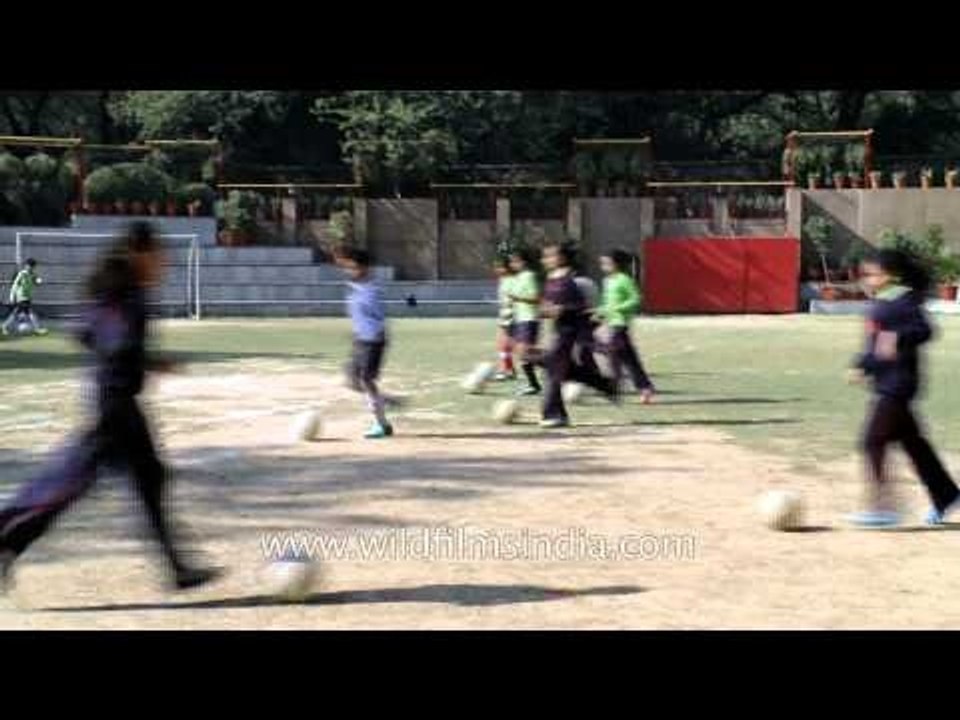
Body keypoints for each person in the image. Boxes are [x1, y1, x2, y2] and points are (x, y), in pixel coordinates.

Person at [0, 222, 220, 595]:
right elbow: (115, 342)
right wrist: (138, 359)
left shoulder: (114, 289)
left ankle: (178, 568)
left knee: (144, 477)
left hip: (116, 401)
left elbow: (84, 333)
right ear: (139, 252)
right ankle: (5, 540)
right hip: (115, 407)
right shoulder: (126, 293)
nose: (163, 263)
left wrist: (142, 360)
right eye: (159, 255)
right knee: (69, 482)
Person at [847, 248, 960, 528]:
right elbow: (874, 344)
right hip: (886, 383)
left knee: (872, 441)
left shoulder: (903, 300)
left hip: (898, 385)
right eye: (865, 274)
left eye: (871, 273)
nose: (866, 279)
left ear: (888, 275)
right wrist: (862, 364)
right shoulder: (879, 303)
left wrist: (896, 338)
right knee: (914, 445)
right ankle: (947, 495)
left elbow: (926, 330)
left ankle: (883, 508)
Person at [539, 241, 618, 428]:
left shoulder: (575, 281)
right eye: (545, 256)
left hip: (572, 333)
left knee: (553, 371)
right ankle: (604, 385)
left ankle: (553, 414)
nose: (545, 259)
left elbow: (582, 308)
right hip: (558, 331)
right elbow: (547, 306)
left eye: (550, 255)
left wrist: (563, 311)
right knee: (557, 368)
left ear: (563, 258)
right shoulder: (551, 278)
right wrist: (544, 310)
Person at [337, 246, 394, 439]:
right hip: (361, 339)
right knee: (351, 379)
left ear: (364, 268)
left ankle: (381, 424)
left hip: (373, 340)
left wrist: (376, 338)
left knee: (366, 380)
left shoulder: (371, 290)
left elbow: (378, 318)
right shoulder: (356, 287)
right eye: (347, 267)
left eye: (352, 267)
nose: (348, 271)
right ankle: (383, 400)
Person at [597, 249, 655, 403]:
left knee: (612, 353)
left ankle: (614, 386)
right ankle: (645, 388)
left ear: (616, 264)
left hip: (620, 324)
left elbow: (636, 299)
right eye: (602, 263)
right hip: (611, 323)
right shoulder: (608, 281)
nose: (603, 266)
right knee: (629, 359)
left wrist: (619, 308)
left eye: (607, 263)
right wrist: (599, 312)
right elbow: (607, 303)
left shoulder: (624, 279)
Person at [507, 248, 543, 396]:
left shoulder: (529, 276)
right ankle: (533, 384)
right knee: (522, 352)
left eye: (515, 261)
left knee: (525, 353)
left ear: (523, 262)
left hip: (529, 319)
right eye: (511, 261)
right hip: (519, 319)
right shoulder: (518, 277)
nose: (512, 264)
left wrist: (518, 298)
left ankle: (536, 383)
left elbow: (536, 298)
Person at [2, 258, 48, 336]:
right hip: (21, 297)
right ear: (26, 266)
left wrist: (39, 281)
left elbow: (36, 281)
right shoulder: (22, 274)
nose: (31, 268)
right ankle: (37, 329)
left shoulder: (33, 274)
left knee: (15, 313)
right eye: (29, 266)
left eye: (32, 266)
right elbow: (15, 285)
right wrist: (12, 296)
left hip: (28, 297)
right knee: (30, 312)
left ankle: (4, 326)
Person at [492, 256, 517, 381]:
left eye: (500, 267)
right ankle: (509, 370)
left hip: (512, 317)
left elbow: (515, 299)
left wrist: (510, 313)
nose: (497, 269)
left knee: (506, 346)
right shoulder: (502, 280)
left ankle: (505, 370)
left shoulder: (512, 280)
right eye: (496, 267)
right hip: (504, 317)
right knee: (502, 345)